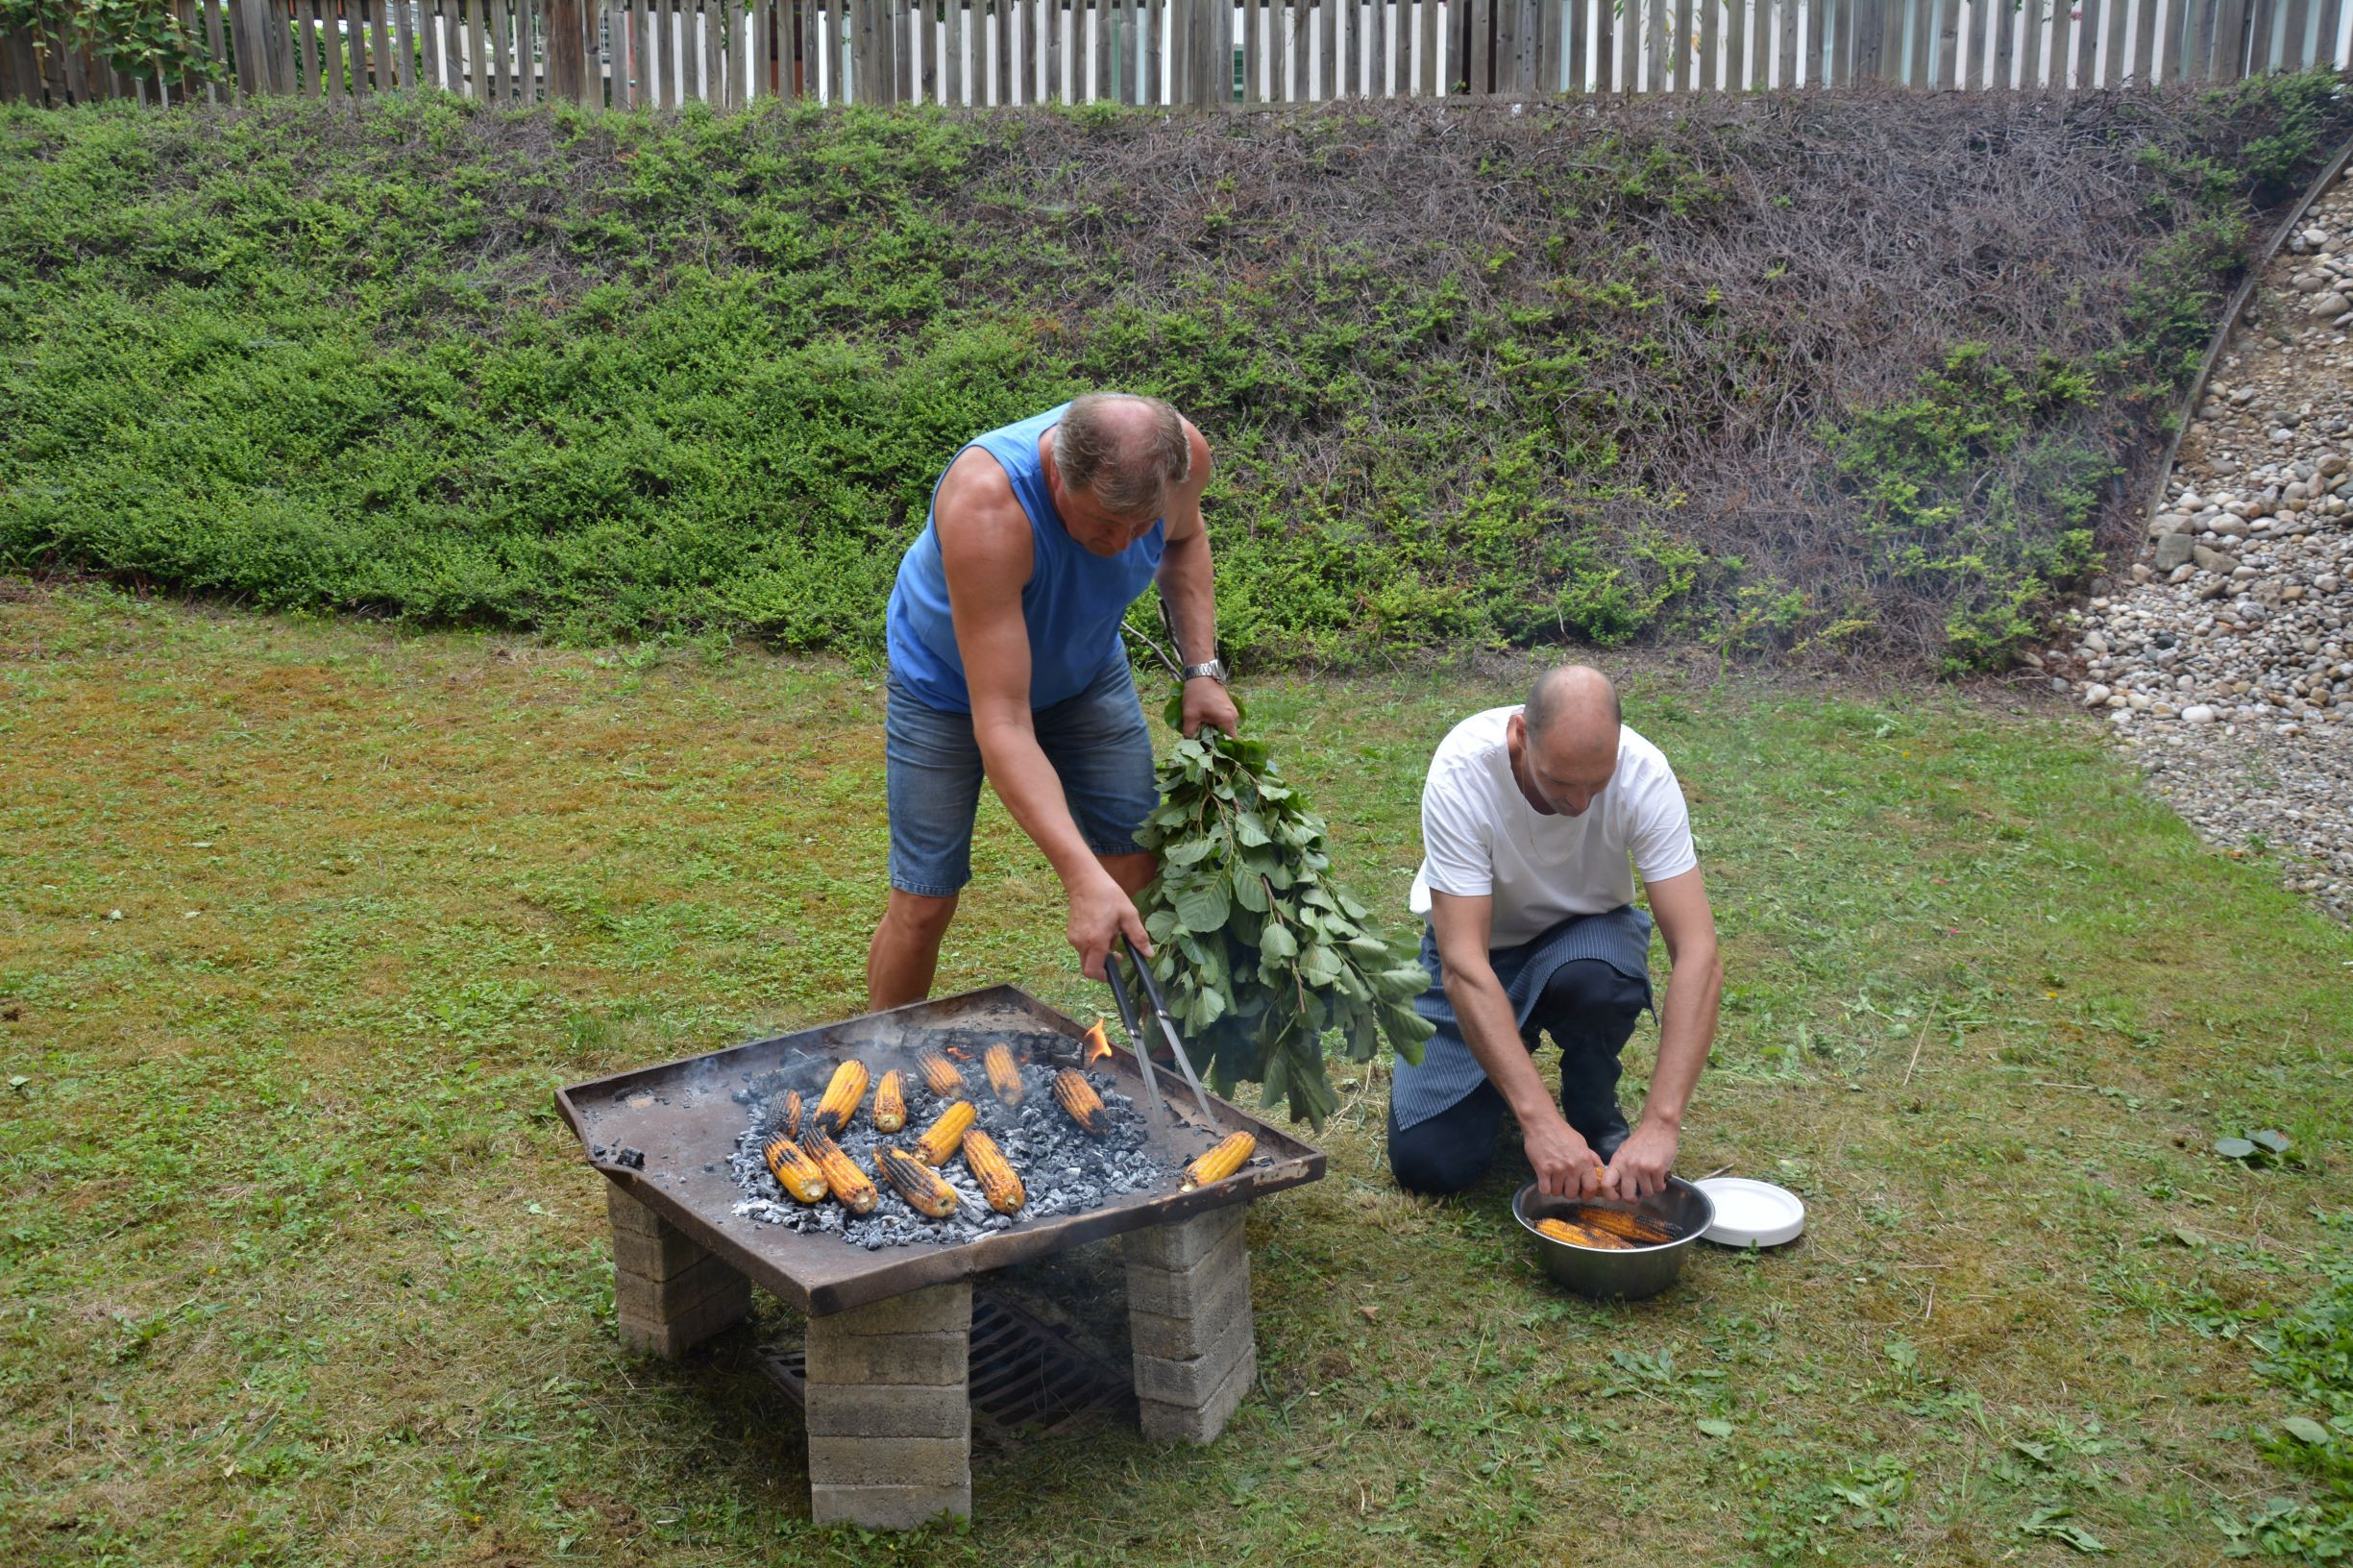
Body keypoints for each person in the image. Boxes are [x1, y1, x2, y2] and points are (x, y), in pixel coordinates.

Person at [866, 393, 1239, 1009]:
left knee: (1137, 869)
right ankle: (877, 1058)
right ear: (1059, 477)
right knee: (925, 900)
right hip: (946, 688)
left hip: (1085, 671)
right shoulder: (988, 504)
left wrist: (1201, 670)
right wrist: (1078, 877)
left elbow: (1185, 539)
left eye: (1139, 526)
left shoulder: (1182, 456)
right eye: (1102, 526)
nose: (1123, 547)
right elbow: (1005, 721)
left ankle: (1167, 1086)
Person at [1386, 665, 1723, 1202]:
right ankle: (1507, 1063)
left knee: (1598, 981)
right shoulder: (1462, 772)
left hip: (1583, 938)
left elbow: (1698, 953)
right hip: (1484, 953)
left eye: (1598, 783)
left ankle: (1591, 1106)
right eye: (1562, 782)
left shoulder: (1644, 774)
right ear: (1521, 736)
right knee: (1428, 1164)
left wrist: (1663, 1121)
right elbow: (1463, 965)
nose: (1580, 804)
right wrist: (1537, 1121)